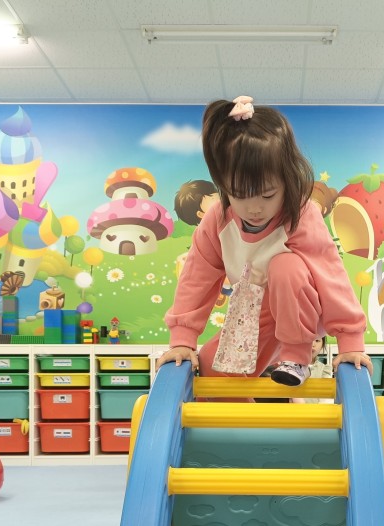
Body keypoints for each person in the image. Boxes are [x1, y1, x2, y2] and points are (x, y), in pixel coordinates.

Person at [157, 95, 372, 385]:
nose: (254, 208)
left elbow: (330, 274)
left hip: (303, 306)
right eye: (239, 195)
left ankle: (295, 358)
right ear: (223, 187)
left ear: (287, 180)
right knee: (211, 367)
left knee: (285, 266)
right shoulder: (218, 221)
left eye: (268, 195)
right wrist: (183, 340)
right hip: (255, 311)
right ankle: (242, 414)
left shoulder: (300, 215)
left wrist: (350, 342)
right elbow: (197, 278)